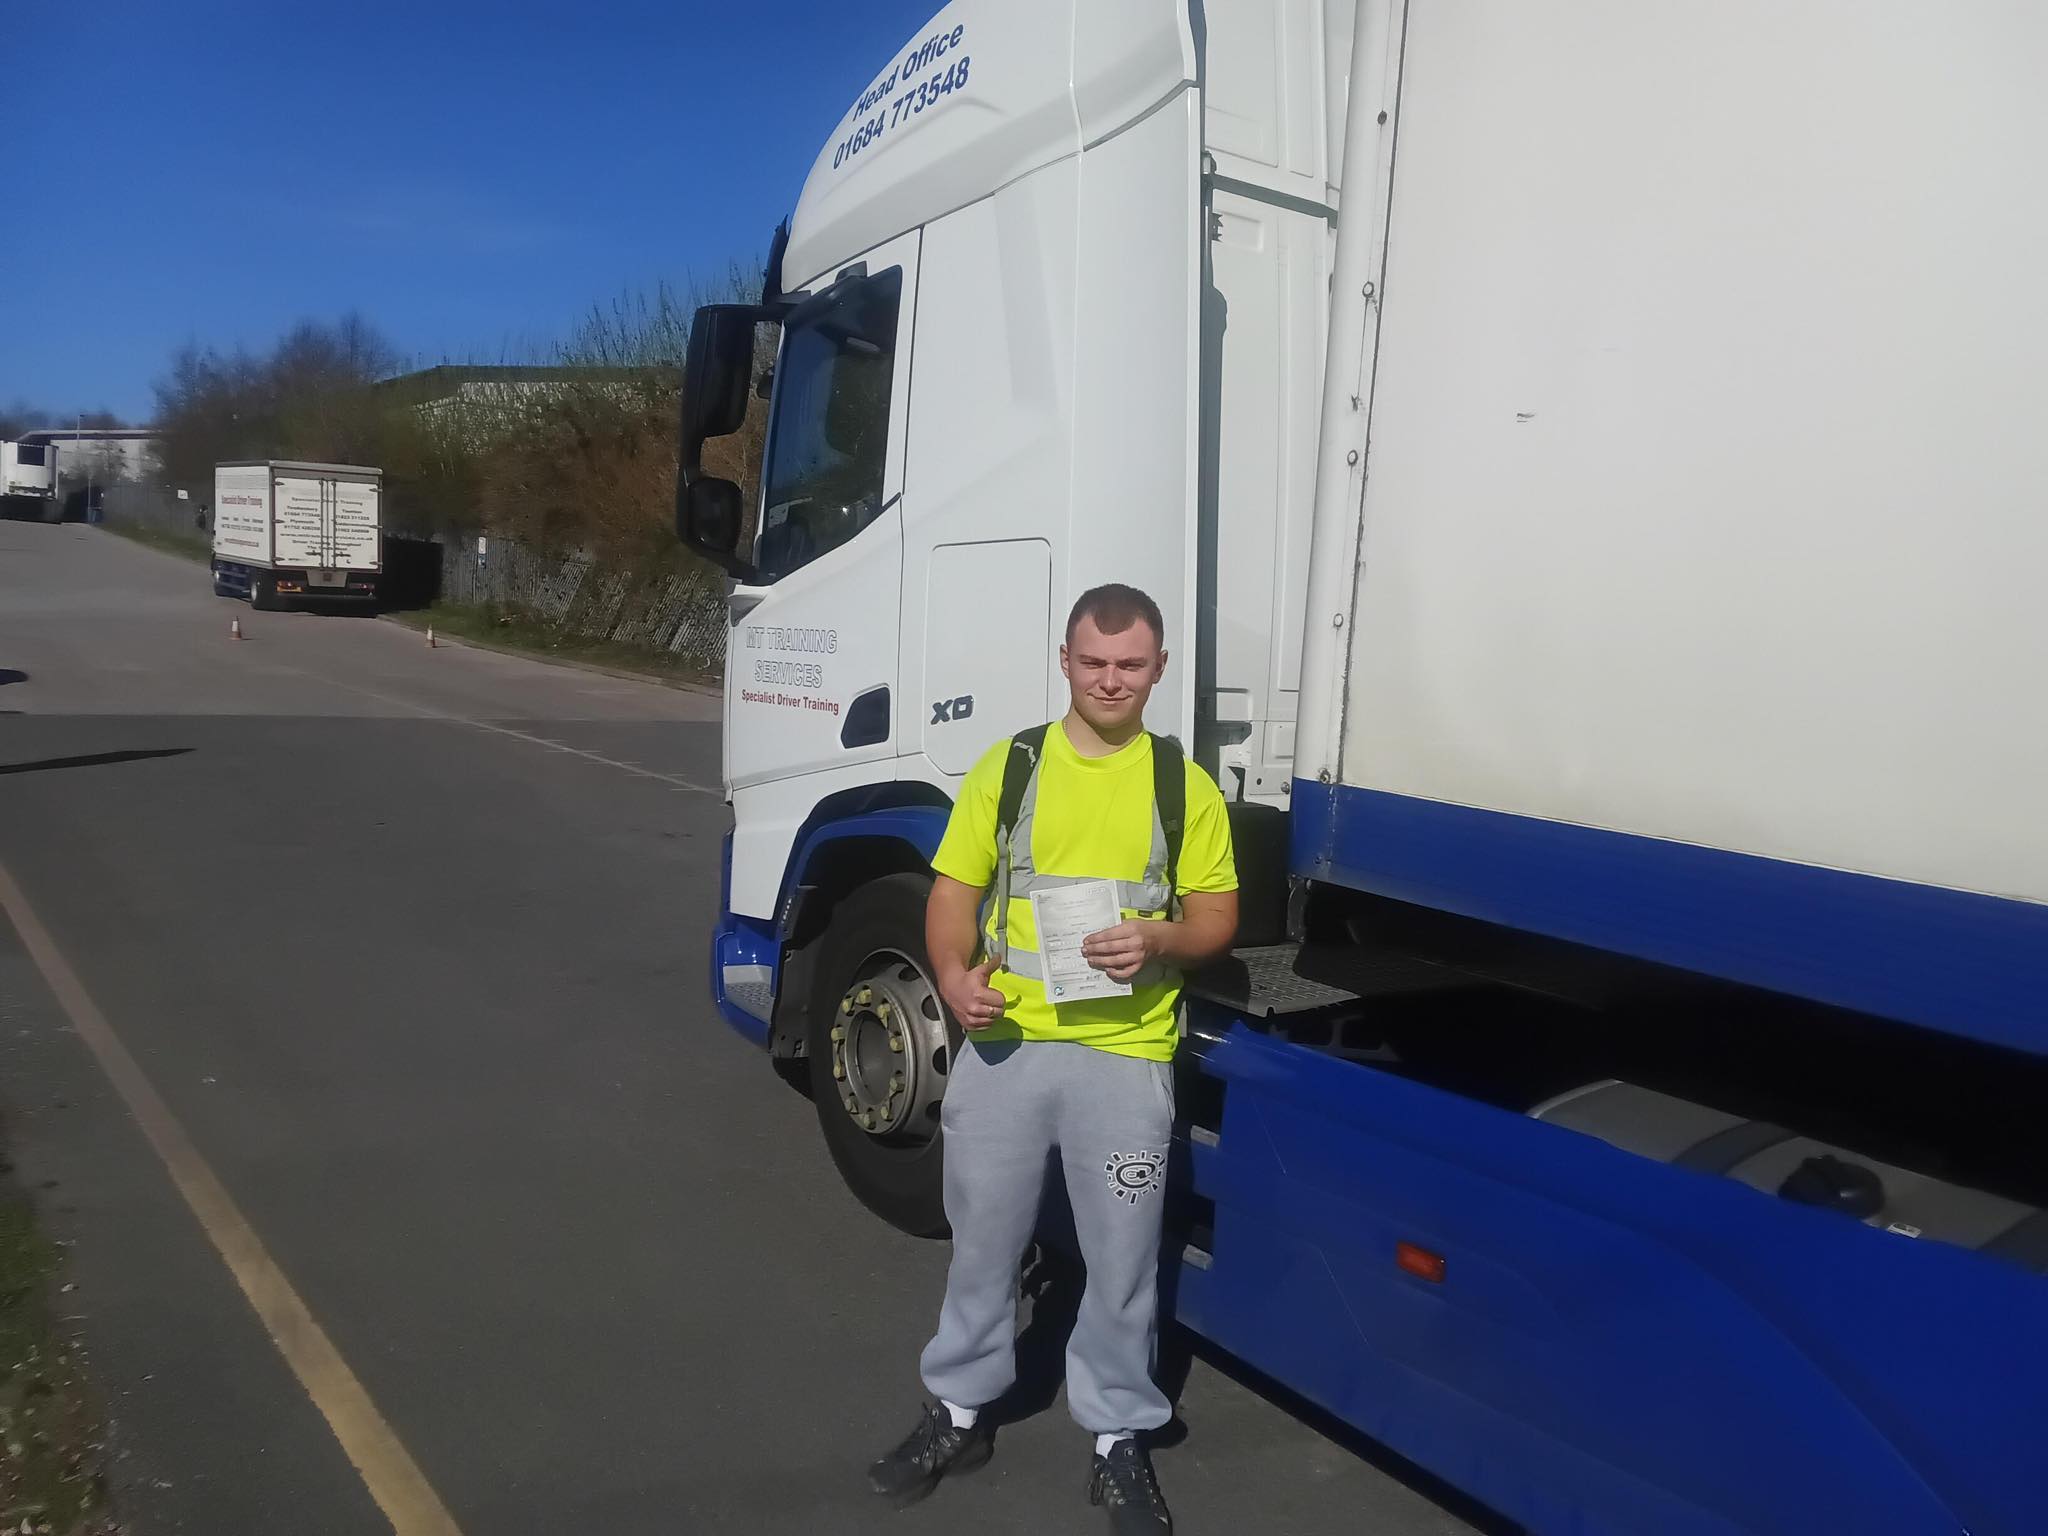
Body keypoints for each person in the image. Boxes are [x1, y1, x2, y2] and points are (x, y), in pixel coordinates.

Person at [868, 584, 1239, 1533]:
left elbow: (1214, 918)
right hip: (1007, 1048)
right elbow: (953, 893)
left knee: (1122, 1261)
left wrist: (1160, 939)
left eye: (1131, 665)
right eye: (1094, 662)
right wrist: (952, 977)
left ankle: (1118, 1435)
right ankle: (959, 1412)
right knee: (983, 1243)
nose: (1111, 680)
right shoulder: (1013, 766)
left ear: (1158, 669)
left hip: (1124, 1056)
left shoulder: (1183, 786)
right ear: (1065, 662)